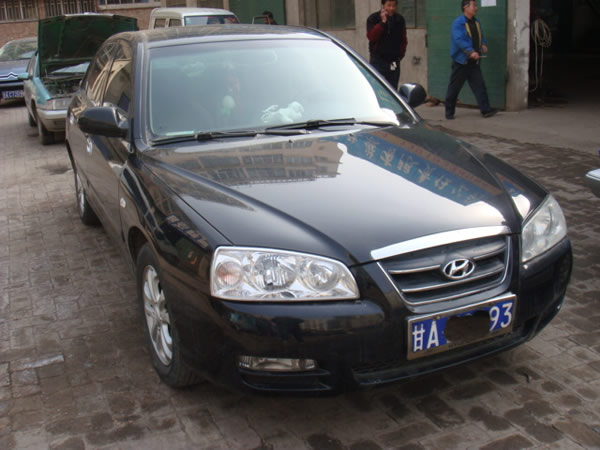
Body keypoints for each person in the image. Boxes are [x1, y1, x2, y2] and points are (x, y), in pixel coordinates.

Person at [445, 0, 497, 119]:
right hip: (461, 61)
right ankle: (449, 112)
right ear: (466, 7)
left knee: (480, 86)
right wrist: (471, 51)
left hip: (473, 62)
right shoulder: (458, 23)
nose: (476, 8)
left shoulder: (476, 22)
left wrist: (482, 45)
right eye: (474, 5)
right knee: (454, 88)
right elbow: (459, 40)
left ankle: (486, 110)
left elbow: (480, 36)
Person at [366, 0, 407, 90]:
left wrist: (399, 56)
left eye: (394, 6)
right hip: (378, 61)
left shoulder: (399, 20)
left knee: (392, 89)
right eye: (389, 5)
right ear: (383, 5)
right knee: (377, 88)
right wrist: (383, 23)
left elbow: (403, 40)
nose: (391, 8)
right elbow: (372, 37)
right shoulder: (373, 18)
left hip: (393, 62)